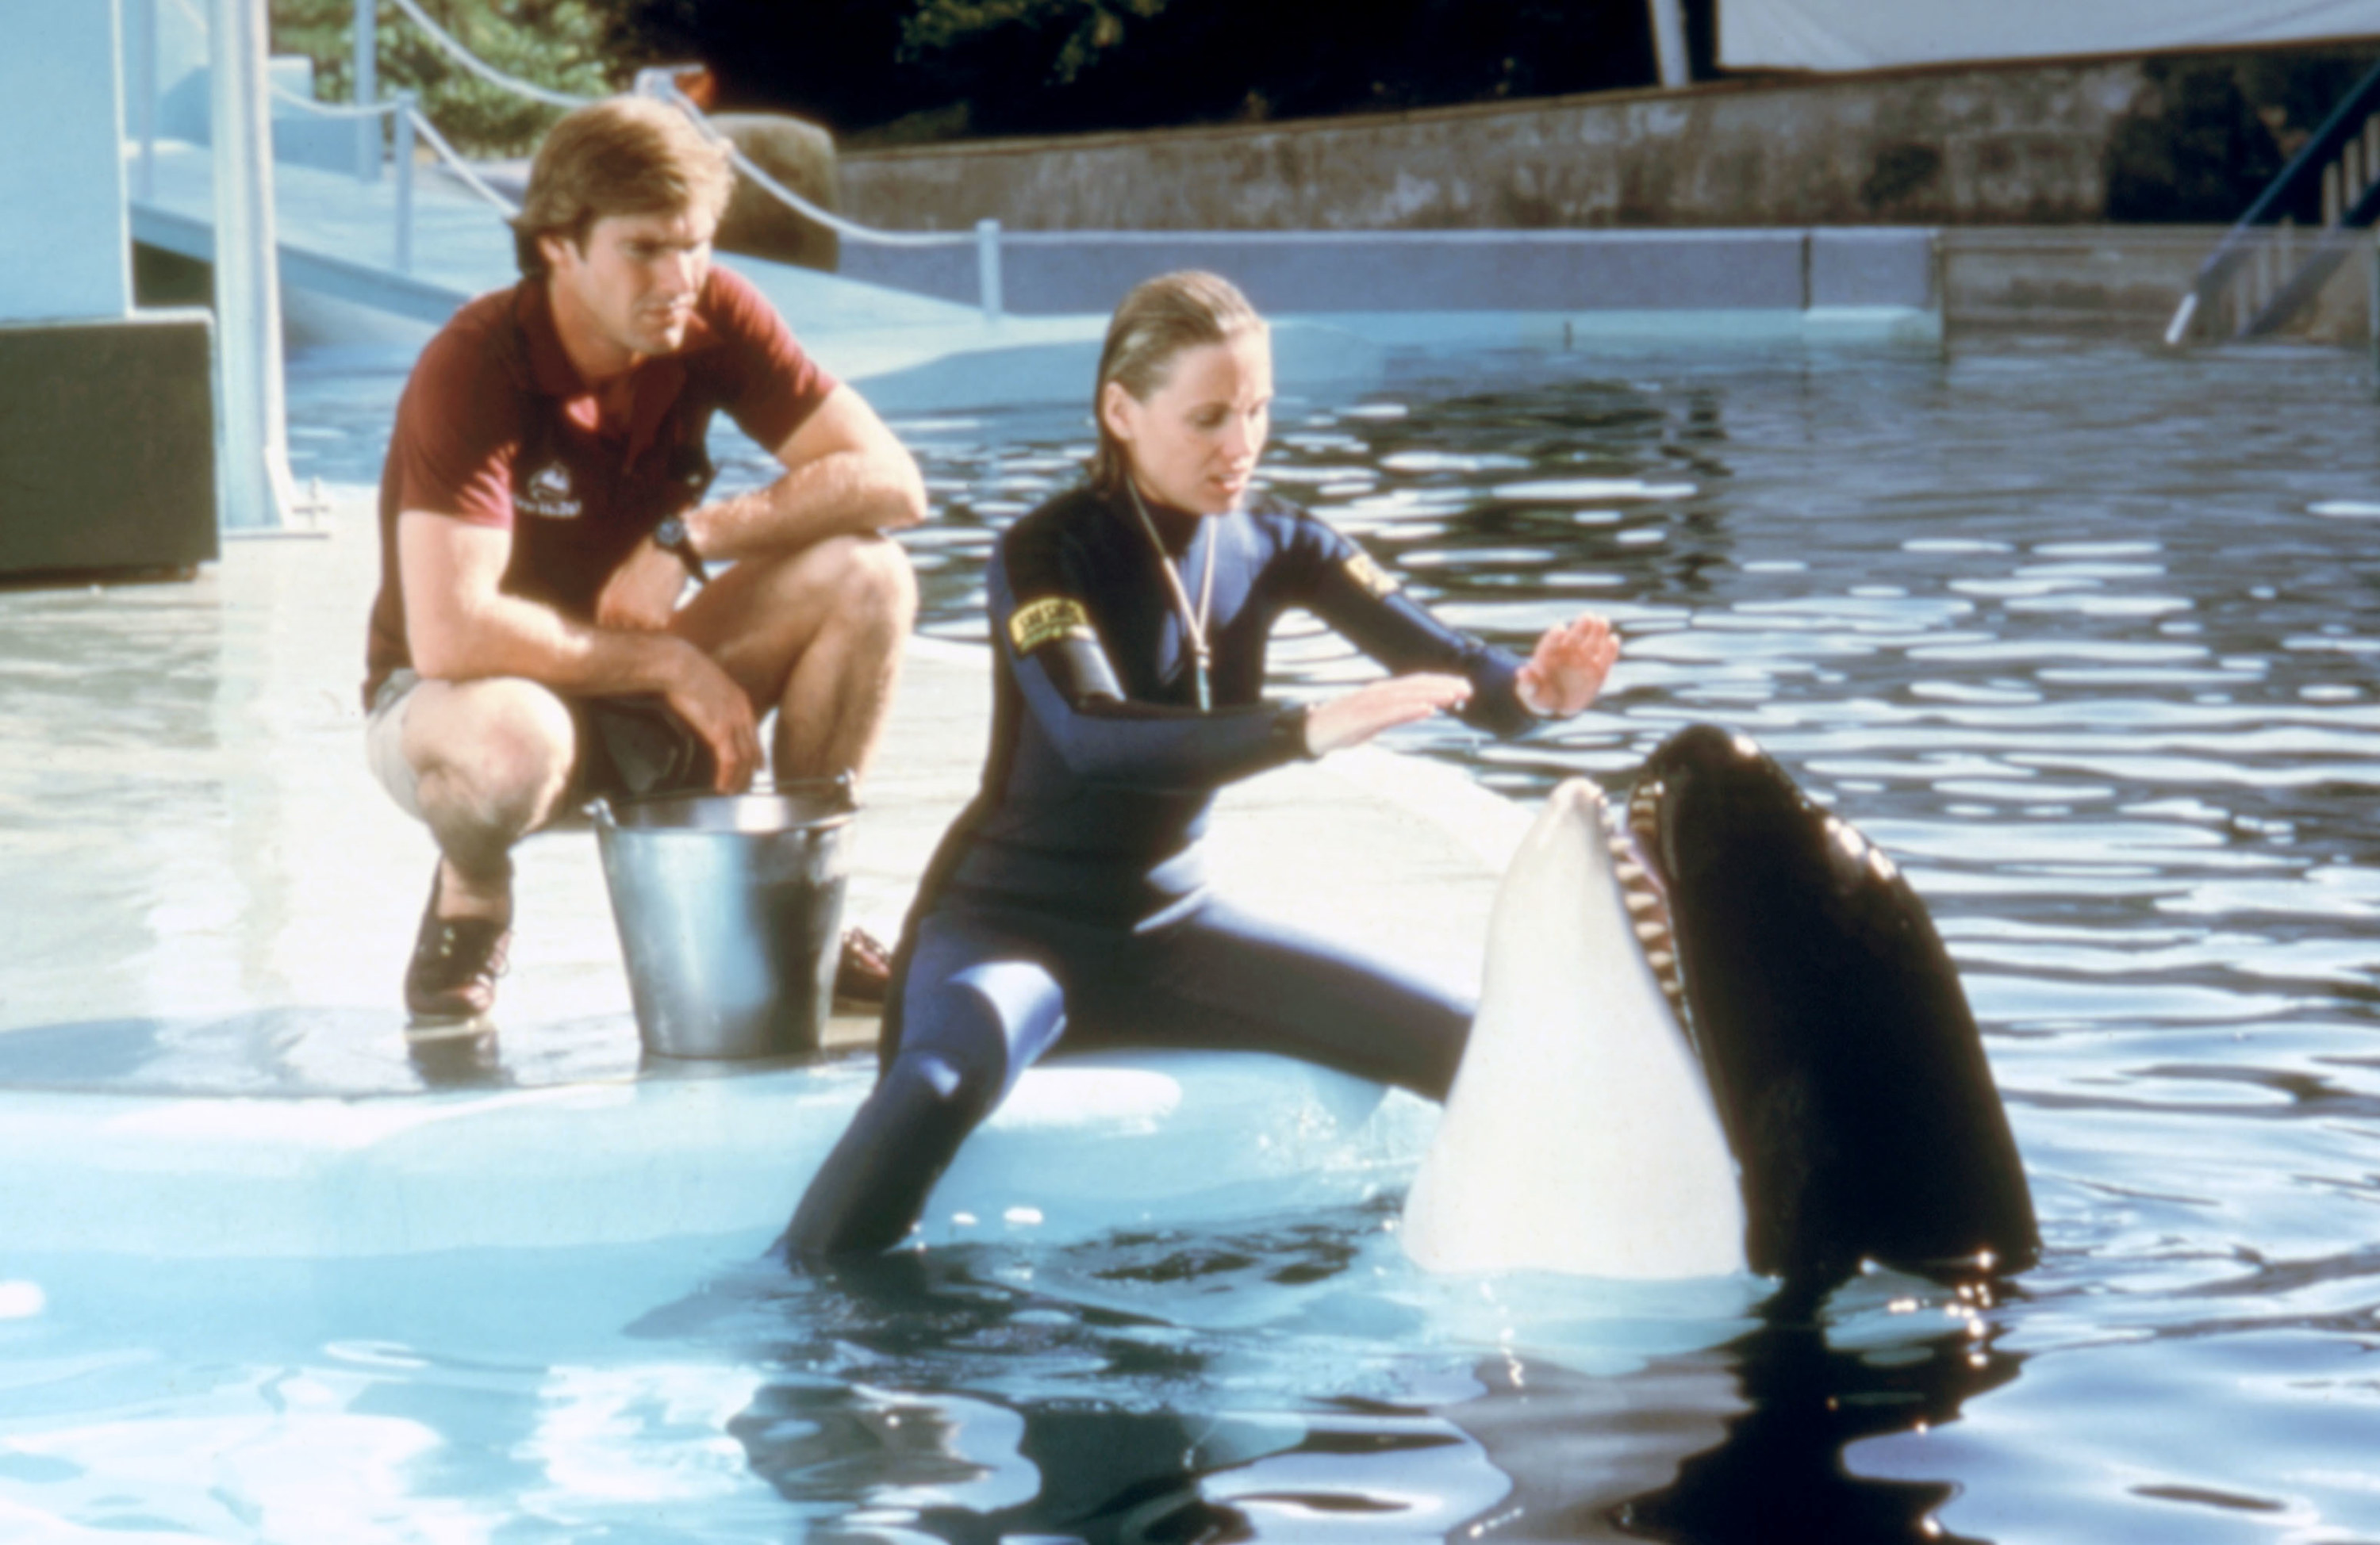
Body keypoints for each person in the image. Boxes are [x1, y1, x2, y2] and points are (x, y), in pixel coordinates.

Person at [785, 270, 1618, 1257]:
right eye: (1210, 417)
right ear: (1121, 411)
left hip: (1169, 933)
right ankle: (810, 1334)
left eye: (1259, 410)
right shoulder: (1045, 551)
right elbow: (1093, 734)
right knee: (937, 1084)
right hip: (1009, 931)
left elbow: (1453, 667)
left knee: (1480, 1047)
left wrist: (1533, 693)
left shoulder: (1281, 542)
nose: (1242, 445)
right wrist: (1302, 728)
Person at [362, 95, 926, 1029]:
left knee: (869, 575)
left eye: (695, 243)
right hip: (457, 697)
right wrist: (671, 662)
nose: (680, 276)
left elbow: (893, 481)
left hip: (623, 670)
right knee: (515, 745)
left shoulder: (711, 313)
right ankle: (471, 895)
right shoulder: (475, 363)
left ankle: (800, 910)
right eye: (643, 249)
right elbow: (454, 632)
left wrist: (691, 537)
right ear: (557, 244)